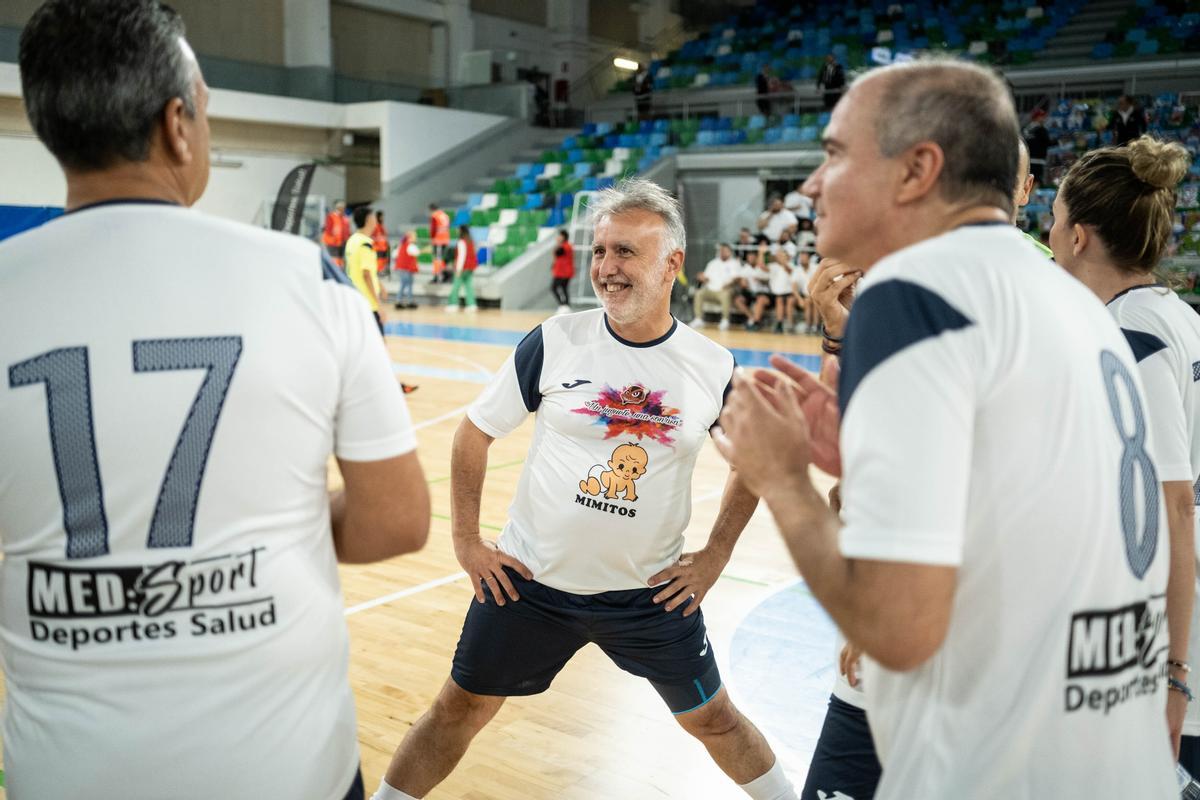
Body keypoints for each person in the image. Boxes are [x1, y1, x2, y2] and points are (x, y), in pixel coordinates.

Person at [1, 2, 431, 798]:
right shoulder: (306, 278)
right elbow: (396, 521)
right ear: (178, 125)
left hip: (69, 773)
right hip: (288, 768)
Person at [716, 58, 1177, 798]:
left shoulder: (914, 292)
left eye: (833, 155)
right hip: (1112, 755)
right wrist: (864, 446)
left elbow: (896, 630)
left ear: (917, 169)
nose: (809, 184)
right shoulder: (1073, 303)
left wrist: (784, 480)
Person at [371, 178, 798, 800]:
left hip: (650, 599)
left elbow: (754, 462)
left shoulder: (711, 366)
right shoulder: (555, 340)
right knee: (456, 711)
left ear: (672, 262)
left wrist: (716, 556)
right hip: (529, 586)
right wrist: (467, 541)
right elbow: (472, 434)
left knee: (715, 719)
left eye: (625, 252)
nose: (605, 268)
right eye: (599, 251)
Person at [1050, 135, 1198, 766]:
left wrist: (1172, 671)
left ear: (1079, 236)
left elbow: (1175, 506)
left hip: (1170, 651)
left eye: (1053, 222)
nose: (1048, 236)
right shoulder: (1181, 317)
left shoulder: (1127, 335)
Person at [347, 206, 387, 332]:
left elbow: (367, 271)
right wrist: (379, 305)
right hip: (368, 302)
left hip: (355, 299)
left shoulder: (352, 240)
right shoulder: (366, 244)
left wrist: (381, 286)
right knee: (380, 344)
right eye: (374, 217)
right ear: (369, 219)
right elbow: (366, 275)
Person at [690, 242, 741, 330]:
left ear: (730, 252)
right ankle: (698, 319)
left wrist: (728, 285)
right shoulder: (712, 263)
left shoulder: (734, 263)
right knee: (699, 293)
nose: (722, 252)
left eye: (725, 251)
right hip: (711, 290)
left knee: (726, 293)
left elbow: (736, 278)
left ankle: (725, 320)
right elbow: (706, 277)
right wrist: (702, 277)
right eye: (721, 250)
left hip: (724, 290)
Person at [734, 247, 772, 331]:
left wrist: (761, 280)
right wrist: (743, 283)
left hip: (764, 293)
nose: (750, 258)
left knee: (760, 299)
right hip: (750, 293)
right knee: (738, 300)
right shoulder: (745, 268)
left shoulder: (763, 267)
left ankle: (755, 322)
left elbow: (769, 280)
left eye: (752, 257)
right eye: (749, 257)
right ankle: (753, 318)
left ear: (756, 257)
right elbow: (742, 282)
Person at [446, 224, 478, 313]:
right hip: (470, 267)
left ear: (461, 231)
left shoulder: (461, 242)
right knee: (469, 287)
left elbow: (461, 256)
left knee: (456, 286)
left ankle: (453, 304)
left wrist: (458, 269)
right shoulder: (470, 241)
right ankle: (472, 304)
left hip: (463, 268)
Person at [393, 229, 419, 309]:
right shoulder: (411, 246)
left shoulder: (401, 245)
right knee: (406, 285)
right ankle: (404, 300)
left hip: (401, 268)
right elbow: (417, 252)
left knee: (405, 285)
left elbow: (394, 255)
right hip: (406, 269)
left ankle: (403, 300)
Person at [551, 228, 574, 313]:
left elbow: (557, 252)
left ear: (563, 237)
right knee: (563, 288)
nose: (558, 237)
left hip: (564, 272)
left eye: (559, 236)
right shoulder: (566, 246)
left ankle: (563, 305)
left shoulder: (566, 246)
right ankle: (565, 305)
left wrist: (558, 244)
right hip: (561, 272)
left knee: (555, 287)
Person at [323, 198, 350, 266]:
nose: (343, 209)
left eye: (344, 208)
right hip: (333, 243)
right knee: (335, 261)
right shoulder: (331, 217)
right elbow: (328, 231)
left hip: (342, 243)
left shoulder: (345, 218)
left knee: (341, 261)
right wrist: (333, 240)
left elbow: (347, 231)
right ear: (338, 208)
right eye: (342, 207)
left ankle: (339, 272)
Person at [429, 202, 451, 282]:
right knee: (443, 259)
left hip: (438, 241)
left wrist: (432, 239)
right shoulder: (445, 215)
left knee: (437, 260)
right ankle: (447, 275)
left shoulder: (435, 216)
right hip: (446, 240)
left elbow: (433, 229)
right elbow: (448, 227)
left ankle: (437, 277)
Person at [372, 209, 390, 275]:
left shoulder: (381, 225)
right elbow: (373, 236)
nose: (382, 218)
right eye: (381, 216)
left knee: (383, 260)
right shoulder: (375, 226)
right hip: (378, 247)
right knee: (379, 261)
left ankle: (381, 271)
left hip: (383, 247)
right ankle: (378, 272)